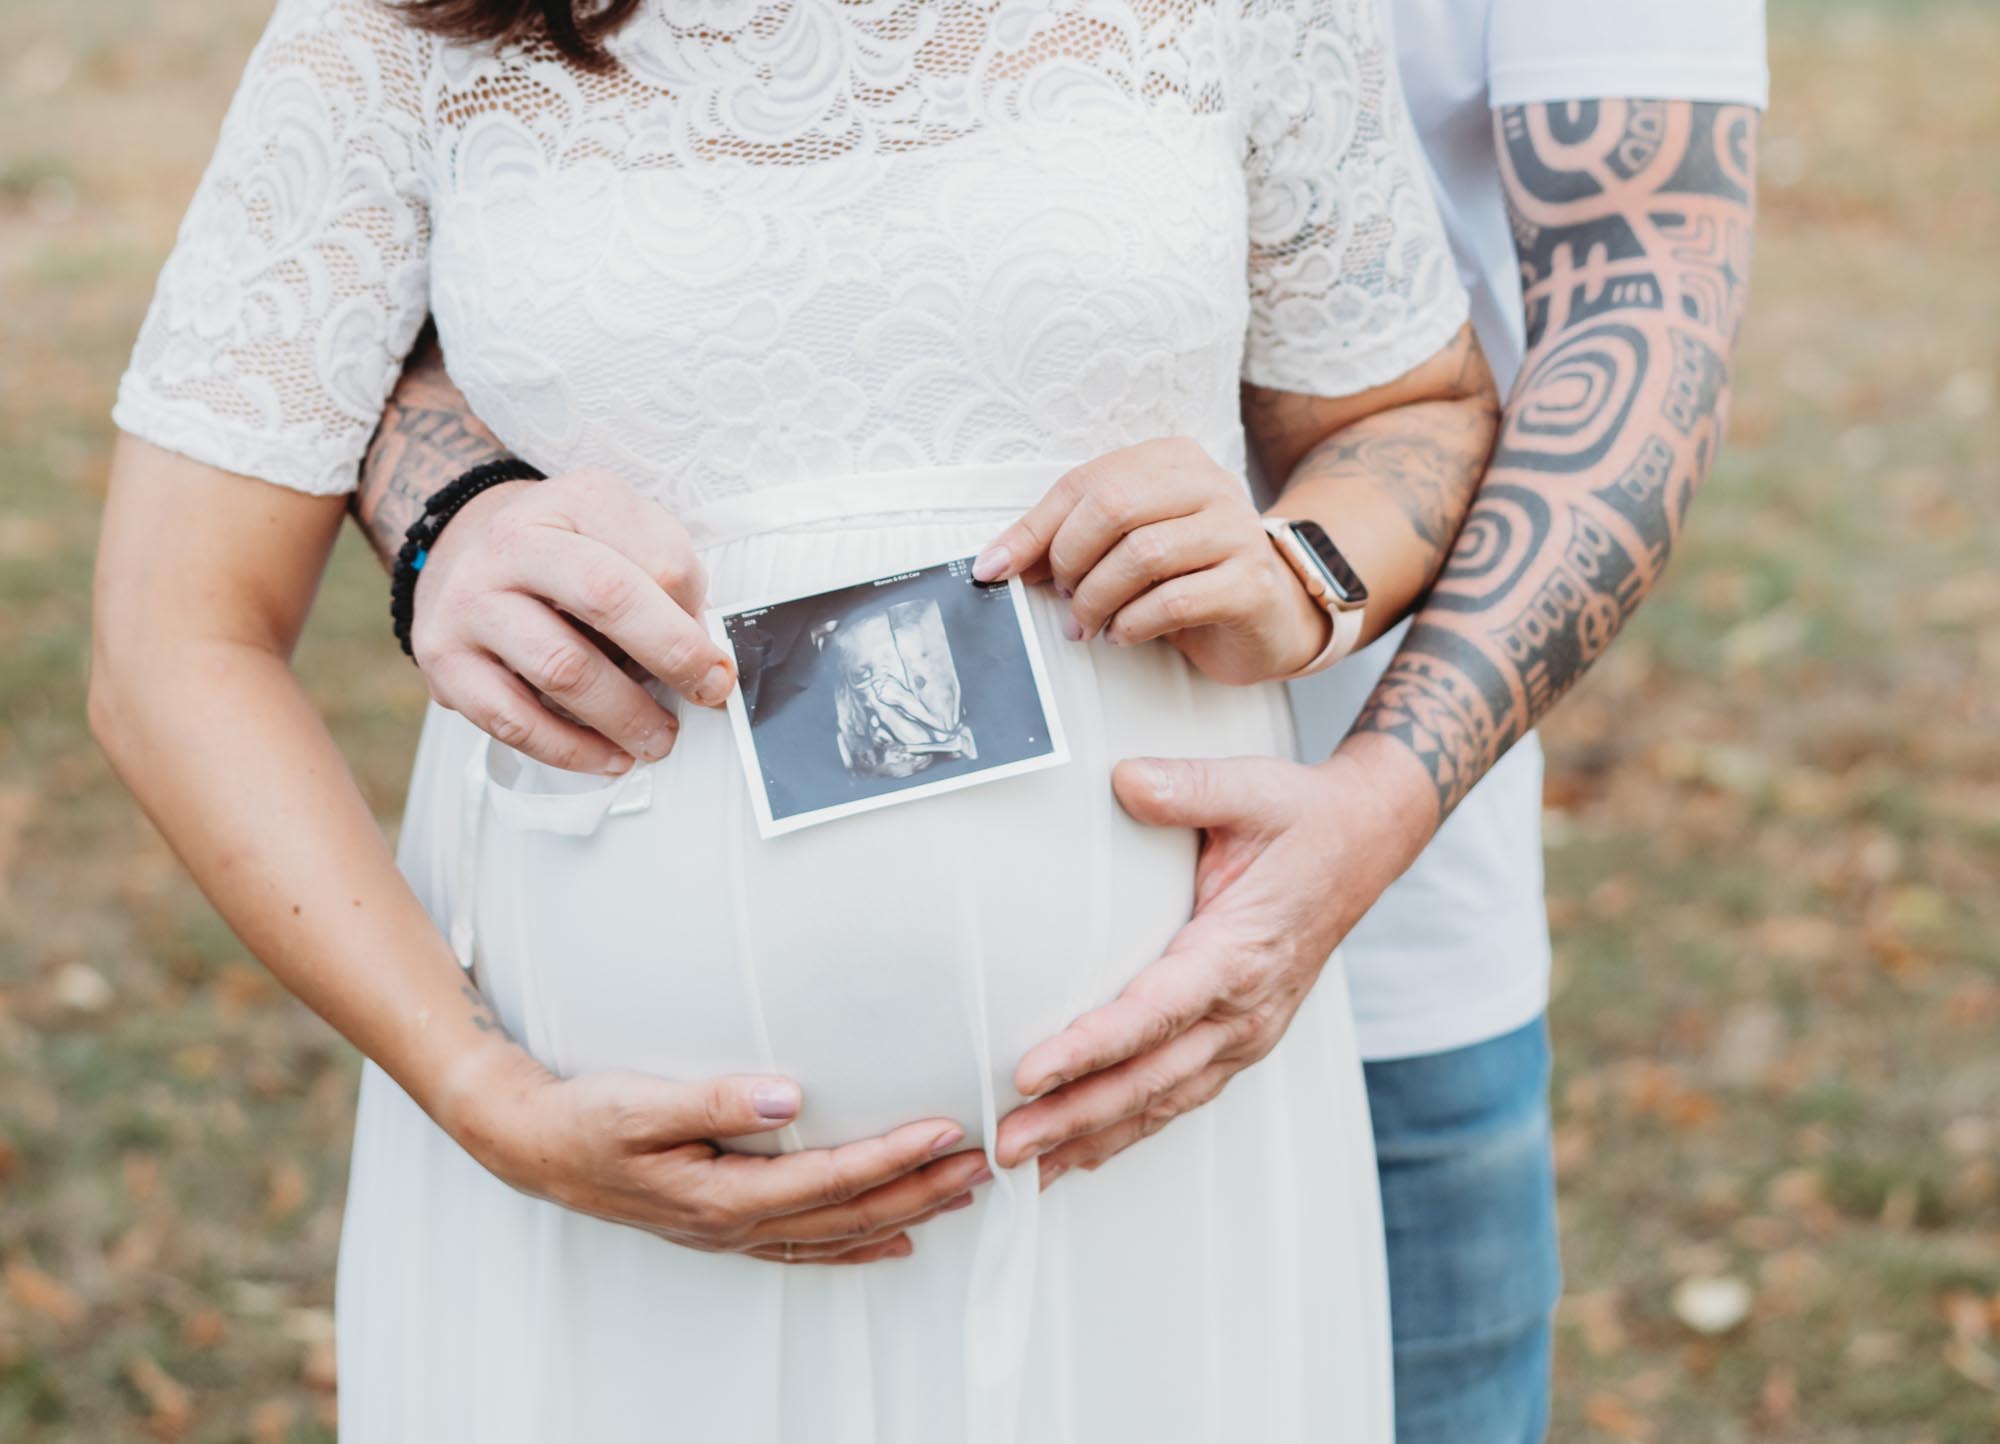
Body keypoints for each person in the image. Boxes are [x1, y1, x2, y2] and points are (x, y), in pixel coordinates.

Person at [90, 1, 1501, 1440]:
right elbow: (171, 638)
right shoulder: (390, 29)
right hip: (604, 1206)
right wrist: (481, 1095)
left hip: (1145, 1168)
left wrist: (1306, 569)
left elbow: (1417, 412)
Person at [357, 4, 1770, 1440]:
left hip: (1343, 939)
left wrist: (1358, 726)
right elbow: (347, 304)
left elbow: (1639, 288)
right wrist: (448, 518)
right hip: (618, 1107)